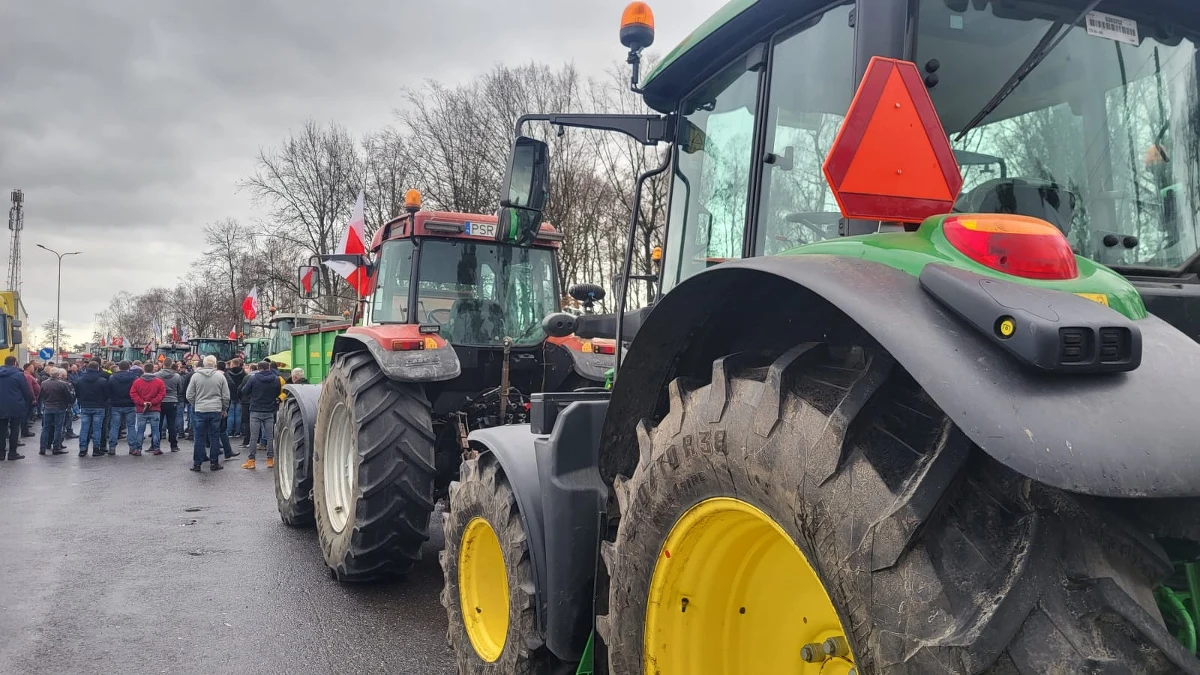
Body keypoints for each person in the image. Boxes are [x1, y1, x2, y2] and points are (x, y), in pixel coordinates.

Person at [185, 355, 229, 472]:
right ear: (215, 364)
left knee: (199, 437)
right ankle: (214, 463)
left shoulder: (196, 376)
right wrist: (224, 408)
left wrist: (196, 404)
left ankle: (197, 464)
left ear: (204, 364)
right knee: (214, 437)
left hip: (200, 409)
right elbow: (226, 396)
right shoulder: (220, 377)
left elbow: (189, 395)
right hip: (215, 409)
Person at [240, 360, 282, 469]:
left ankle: (251, 461)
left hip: (255, 409)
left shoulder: (253, 378)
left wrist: (253, 396)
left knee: (253, 437)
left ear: (259, 368)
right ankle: (270, 460)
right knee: (270, 437)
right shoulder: (276, 379)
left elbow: (244, 391)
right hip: (269, 410)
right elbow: (278, 392)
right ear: (269, 368)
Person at [74, 361, 110, 457]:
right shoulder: (102, 381)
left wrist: (82, 401)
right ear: (97, 368)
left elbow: (77, 393)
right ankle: (96, 449)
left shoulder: (80, 380)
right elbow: (106, 395)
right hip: (99, 406)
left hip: (85, 406)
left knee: (84, 428)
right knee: (97, 428)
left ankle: (82, 449)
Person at [0, 356, 33, 460]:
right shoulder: (18, 374)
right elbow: (25, 390)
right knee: (15, 429)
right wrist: (28, 400)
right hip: (16, 405)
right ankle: (12, 453)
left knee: (1, 430)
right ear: (14, 363)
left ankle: (1, 454)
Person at [130, 362, 166, 456]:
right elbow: (162, 394)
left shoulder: (137, 382)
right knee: (155, 429)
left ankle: (138, 449)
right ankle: (156, 448)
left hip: (141, 409)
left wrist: (142, 402)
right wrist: (152, 402)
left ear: (143, 370)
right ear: (153, 370)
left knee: (140, 430)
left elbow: (133, 394)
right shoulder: (159, 382)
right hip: (155, 409)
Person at [40, 368, 74, 455]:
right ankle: (56, 447)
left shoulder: (44, 383)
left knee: (45, 428)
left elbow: (41, 395)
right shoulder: (62, 384)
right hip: (59, 407)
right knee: (58, 428)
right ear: (58, 375)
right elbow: (68, 397)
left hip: (48, 407)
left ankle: (42, 448)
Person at [107, 360, 138, 455]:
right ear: (129, 367)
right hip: (130, 404)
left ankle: (112, 447)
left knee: (114, 426)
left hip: (116, 404)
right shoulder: (134, 377)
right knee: (131, 426)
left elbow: (109, 390)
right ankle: (132, 447)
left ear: (119, 367)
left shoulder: (112, 377)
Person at [157, 359, 183, 452]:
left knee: (158, 424)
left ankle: (155, 445)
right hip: (172, 400)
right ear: (171, 365)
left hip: (160, 401)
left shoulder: (157, 375)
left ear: (163, 364)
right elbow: (180, 389)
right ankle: (174, 445)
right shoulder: (177, 376)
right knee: (172, 424)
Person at [225, 358, 247, 439]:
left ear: (232, 364)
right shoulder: (244, 373)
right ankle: (237, 432)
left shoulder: (227, 373)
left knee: (230, 415)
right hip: (240, 396)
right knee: (238, 415)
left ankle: (229, 432)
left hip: (230, 395)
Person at [22, 362, 40, 438]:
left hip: (29, 398)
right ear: (28, 368)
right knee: (26, 415)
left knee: (27, 415)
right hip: (29, 399)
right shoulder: (28, 376)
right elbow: (30, 388)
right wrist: (33, 398)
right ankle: (25, 431)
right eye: (32, 368)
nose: (33, 369)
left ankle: (25, 429)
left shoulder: (28, 375)